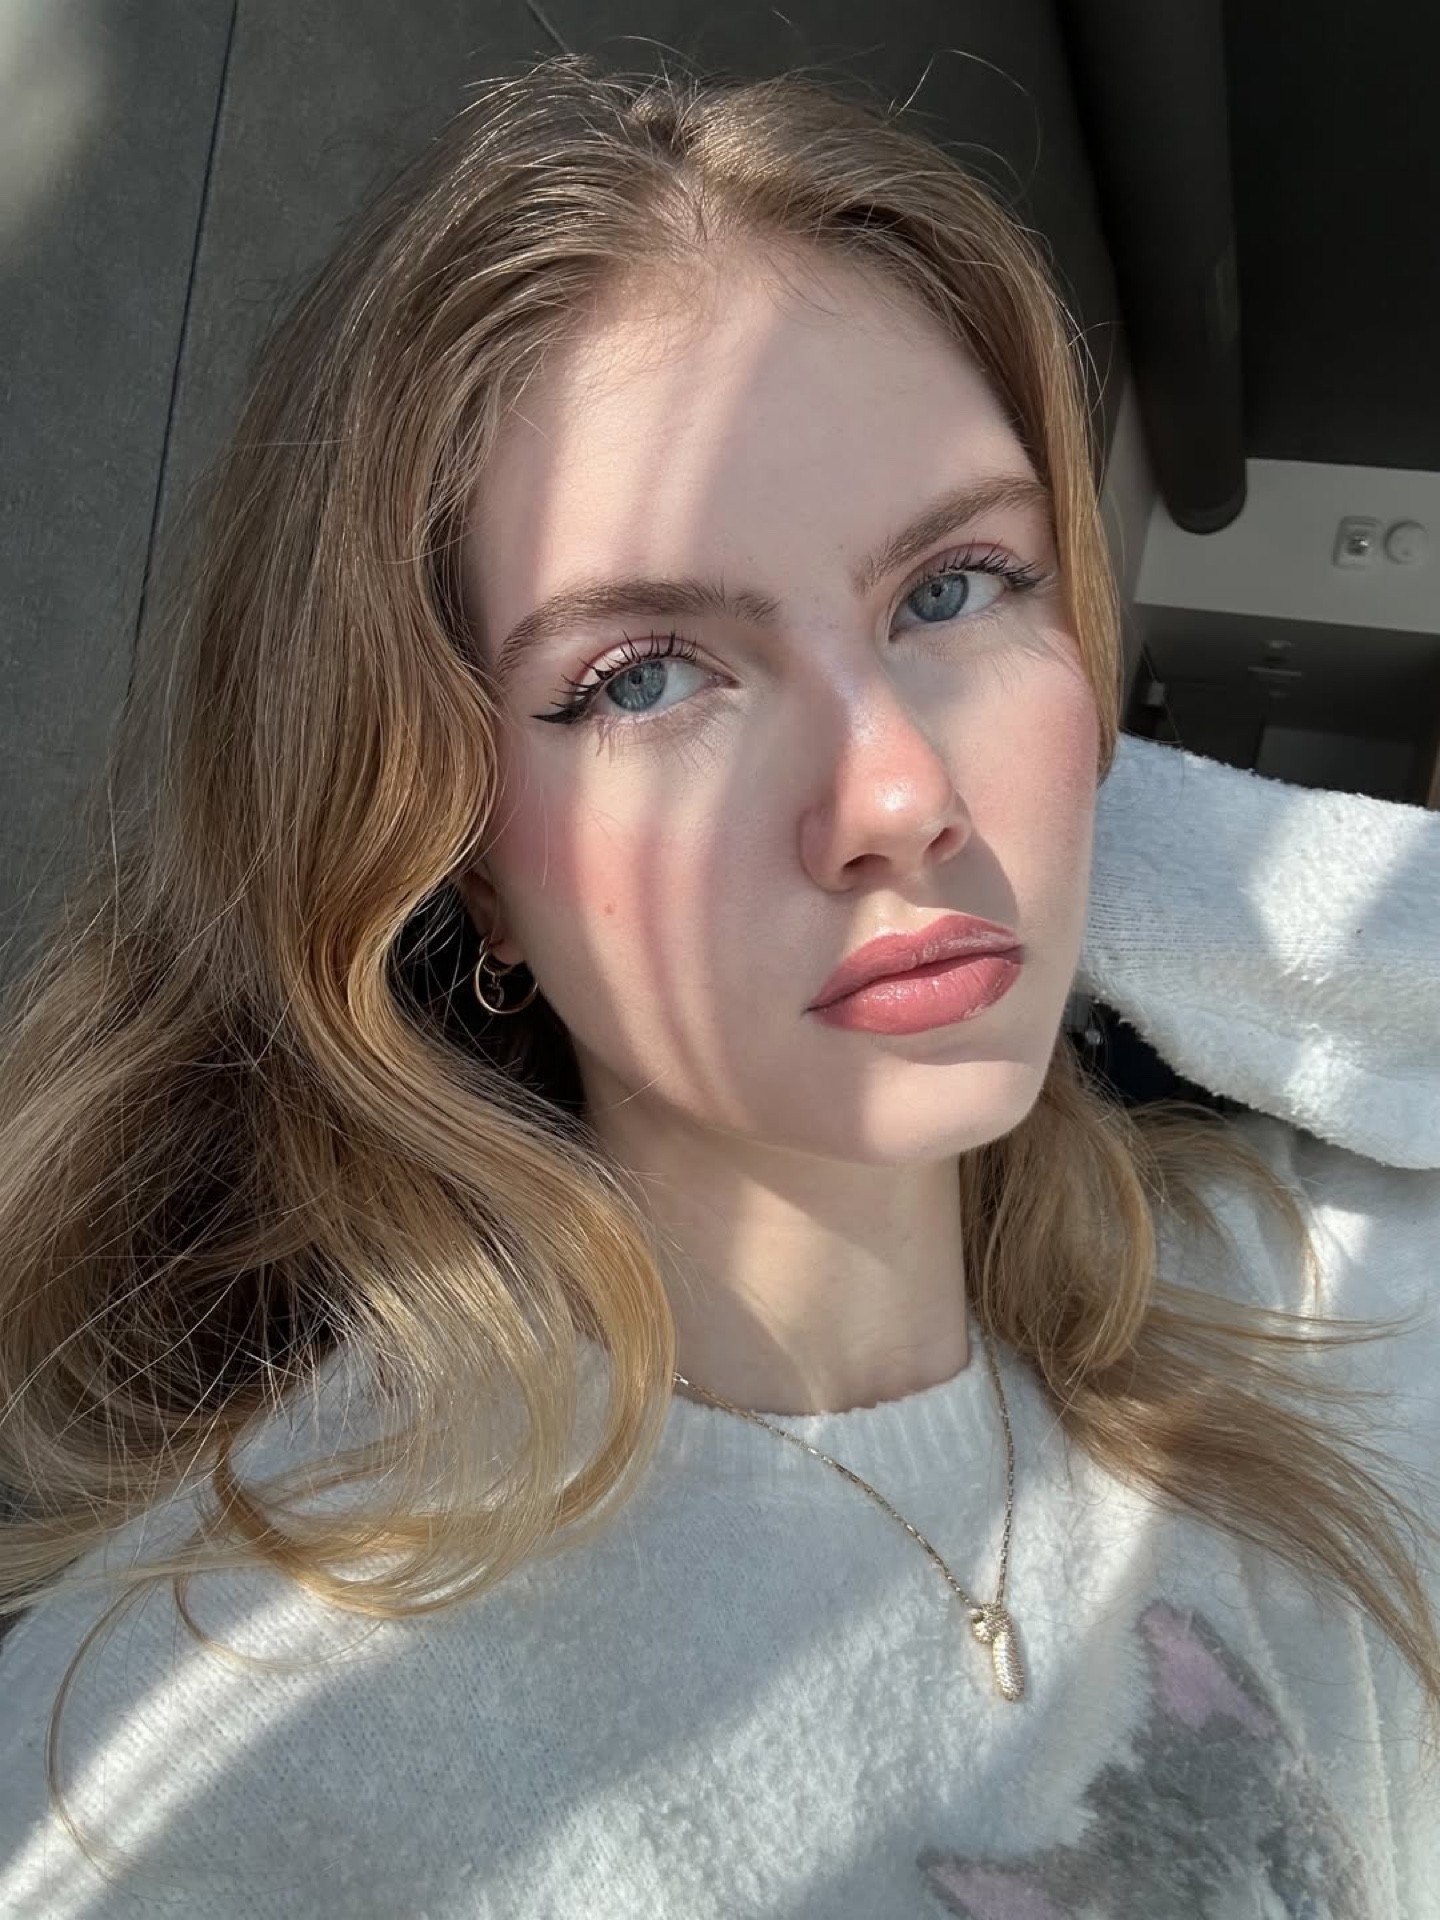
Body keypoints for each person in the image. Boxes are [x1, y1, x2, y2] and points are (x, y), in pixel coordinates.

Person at [0, 50, 1436, 1919]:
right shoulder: (219, 1747)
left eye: (958, 586)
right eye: (645, 676)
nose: (898, 794)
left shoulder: (1283, 1311)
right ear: (458, 855)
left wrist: (1102, 832)